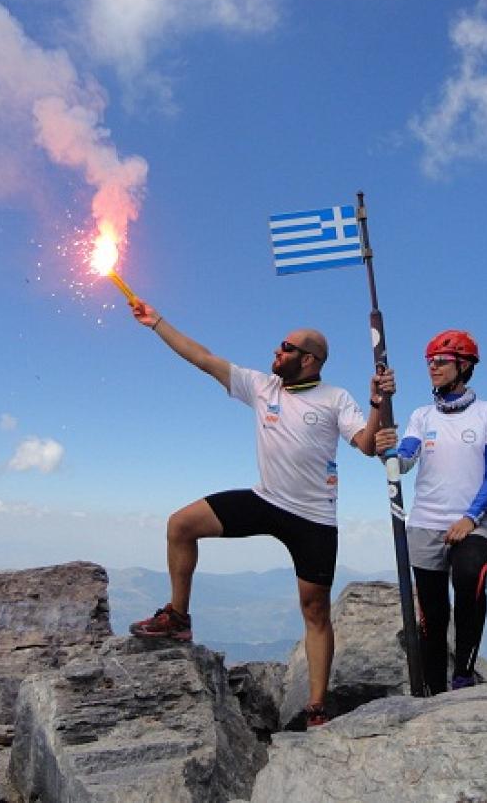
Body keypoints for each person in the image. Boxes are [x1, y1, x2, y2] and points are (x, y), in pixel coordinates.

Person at [126, 299, 387, 728]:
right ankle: (178, 617)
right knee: (181, 524)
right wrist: (156, 323)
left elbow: (365, 443)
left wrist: (378, 403)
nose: (275, 353)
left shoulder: (335, 397)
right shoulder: (262, 386)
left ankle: (317, 707)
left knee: (315, 609)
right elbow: (203, 359)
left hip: (313, 517)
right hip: (266, 499)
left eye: (284, 348)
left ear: (308, 359)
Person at [375, 330, 487, 694]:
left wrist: (471, 517)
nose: (432, 367)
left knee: (469, 585)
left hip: (473, 524)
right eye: (430, 361)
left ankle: (463, 673)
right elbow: (404, 460)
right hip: (424, 525)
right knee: (431, 614)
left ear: (464, 366)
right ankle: (433, 688)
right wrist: (386, 453)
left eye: (441, 360)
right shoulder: (421, 416)